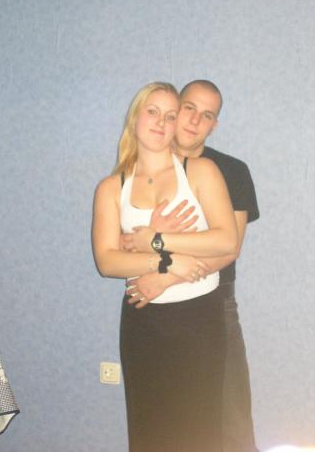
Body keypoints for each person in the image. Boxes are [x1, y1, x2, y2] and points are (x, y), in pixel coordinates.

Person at [92, 81, 239, 452]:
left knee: (199, 432)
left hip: (199, 319)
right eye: (152, 112)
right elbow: (107, 261)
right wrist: (169, 261)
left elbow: (226, 241)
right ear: (135, 118)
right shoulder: (111, 187)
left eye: (170, 116)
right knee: (149, 431)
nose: (161, 122)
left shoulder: (201, 171)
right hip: (142, 321)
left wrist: (156, 240)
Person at [123, 79, 260, 452]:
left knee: (228, 416)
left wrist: (165, 276)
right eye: (189, 108)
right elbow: (124, 242)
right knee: (159, 417)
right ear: (175, 109)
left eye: (208, 115)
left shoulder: (231, 170)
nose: (196, 120)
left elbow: (229, 248)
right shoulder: (141, 166)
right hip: (151, 309)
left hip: (214, 302)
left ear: (214, 125)